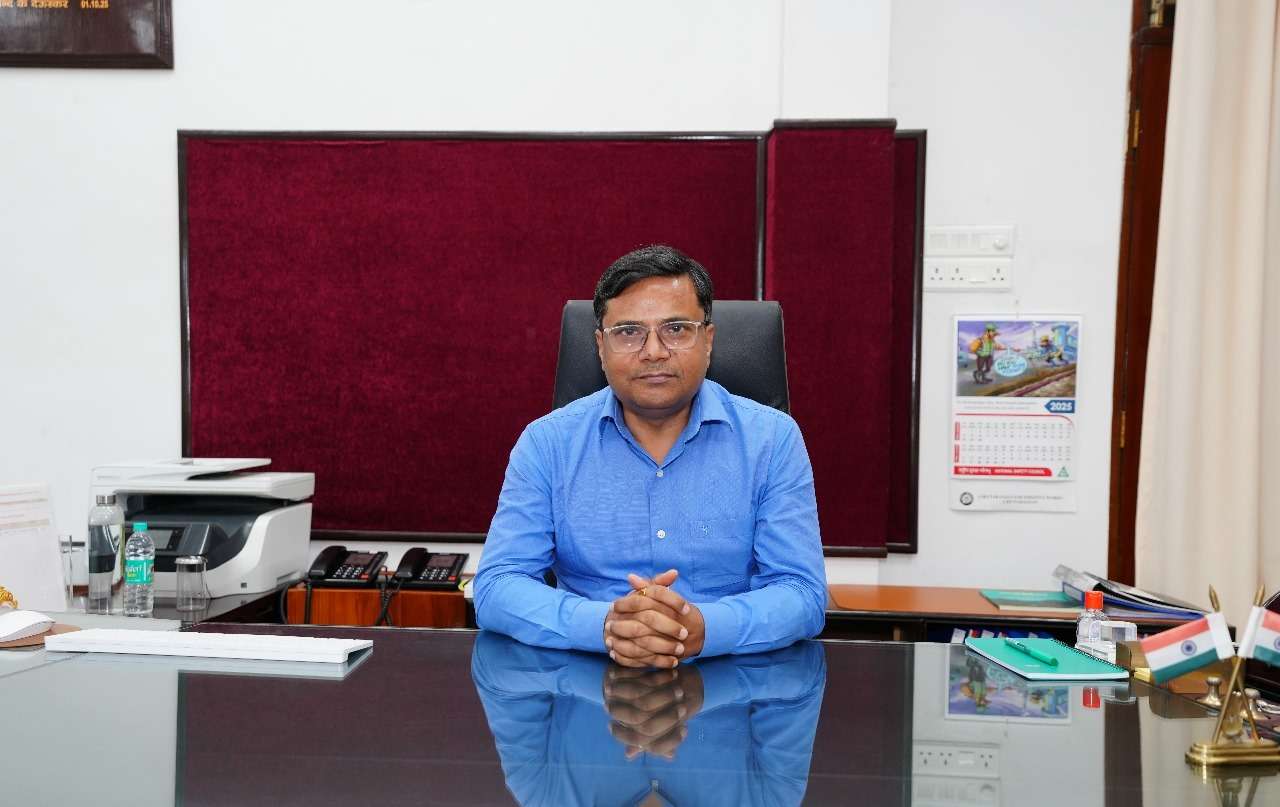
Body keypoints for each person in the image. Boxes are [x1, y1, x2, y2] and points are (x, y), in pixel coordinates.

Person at [474, 244, 827, 668]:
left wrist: (705, 628)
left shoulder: (773, 440)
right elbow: (497, 585)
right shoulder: (547, 443)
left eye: (676, 329)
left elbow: (802, 592)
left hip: (730, 680)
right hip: (584, 684)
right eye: (629, 332)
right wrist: (605, 624)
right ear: (600, 346)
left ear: (708, 340)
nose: (654, 351)